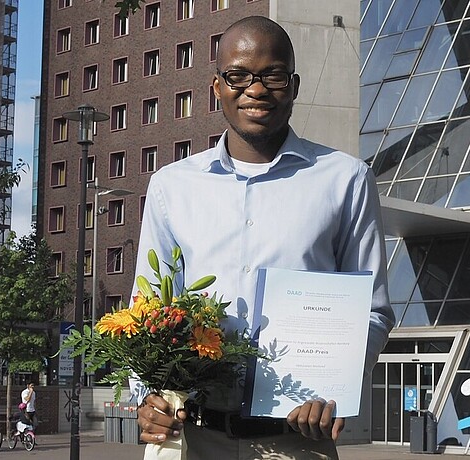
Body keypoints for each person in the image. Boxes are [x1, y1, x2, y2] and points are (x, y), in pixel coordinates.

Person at [133, 15, 394, 459]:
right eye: (238, 76)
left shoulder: (346, 180)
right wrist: (144, 397)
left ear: (293, 85)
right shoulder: (171, 187)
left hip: (298, 442)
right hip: (188, 439)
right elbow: (148, 311)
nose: (255, 90)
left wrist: (333, 386)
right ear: (217, 87)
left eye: (272, 74)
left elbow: (373, 311)